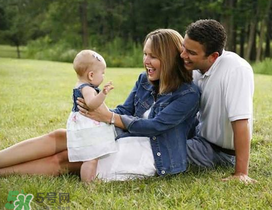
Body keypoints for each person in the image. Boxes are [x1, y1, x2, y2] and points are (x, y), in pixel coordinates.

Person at [0, 29, 200, 181]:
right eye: (145, 54)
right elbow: (124, 110)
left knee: (65, 159)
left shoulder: (188, 95)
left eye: (153, 56)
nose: (146, 61)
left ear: (168, 58)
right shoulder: (144, 80)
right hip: (126, 136)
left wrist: (110, 118)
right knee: (60, 135)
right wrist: (96, 113)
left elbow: (155, 126)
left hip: (151, 152)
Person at [180, 19, 257, 184]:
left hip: (218, 152)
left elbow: (241, 122)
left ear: (213, 56)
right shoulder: (195, 68)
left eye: (191, 53)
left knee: (160, 148)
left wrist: (241, 173)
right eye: (183, 48)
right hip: (198, 137)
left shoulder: (236, 70)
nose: (183, 55)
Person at [66, 50, 117, 183]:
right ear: (91, 75)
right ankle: (88, 183)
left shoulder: (80, 85)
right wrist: (103, 94)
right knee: (91, 158)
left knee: (90, 158)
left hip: (82, 125)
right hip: (87, 128)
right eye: (103, 73)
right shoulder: (87, 89)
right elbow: (91, 104)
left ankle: (90, 180)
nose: (104, 76)